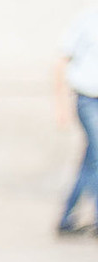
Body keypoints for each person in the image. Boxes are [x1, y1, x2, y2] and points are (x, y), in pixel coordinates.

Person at [62, 4, 98, 235]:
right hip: (88, 98)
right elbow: (61, 59)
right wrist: (61, 106)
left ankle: (66, 217)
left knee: (91, 159)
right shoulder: (87, 19)